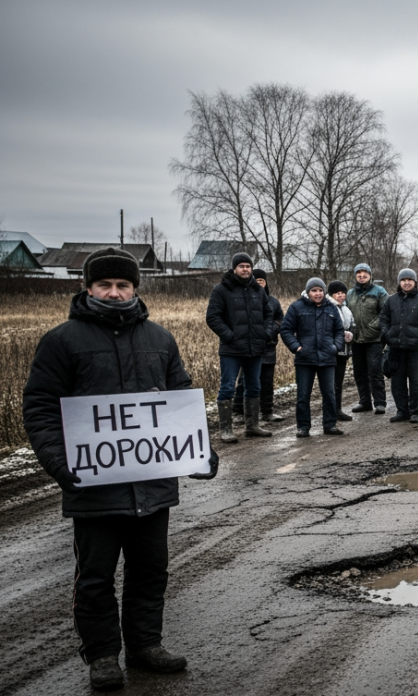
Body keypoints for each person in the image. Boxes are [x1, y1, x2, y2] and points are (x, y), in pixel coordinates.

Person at [23, 247, 215, 691]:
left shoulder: (160, 339)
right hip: (94, 486)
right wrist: (56, 459)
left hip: (152, 484)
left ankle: (146, 647)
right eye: (104, 285)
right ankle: (103, 655)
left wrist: (200, 449)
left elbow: (179, 398)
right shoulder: (61, 340)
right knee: (95, 578)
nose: (113, 293)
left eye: (122, 285)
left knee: (151, 572)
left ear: (135, 288)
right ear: (88, 288)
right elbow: (40, 406)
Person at [205, 252, 275, 441]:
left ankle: (252, 426)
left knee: (254, 386)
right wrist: (230, 336)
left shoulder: (258, 290)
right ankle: (226, 430)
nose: (245, 269)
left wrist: (266, 334)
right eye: (242, 266)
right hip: (232, 349)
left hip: (255, 348)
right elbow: (212, 317)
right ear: (234, 268)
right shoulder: (221, 290)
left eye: (248, 266)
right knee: (227, 387)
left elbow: (269, 315)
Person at [280, 278, 346, 438]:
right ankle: (303, 427)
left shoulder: (331, 308)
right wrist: (297, 347)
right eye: (314, 290)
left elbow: (339, 330)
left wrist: (335, 347)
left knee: (329, 394)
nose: (317, 294)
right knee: (303, 395)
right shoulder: (296, 307)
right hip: (305, 359)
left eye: (320, 290)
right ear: (308, 292)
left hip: (327, 358)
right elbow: (286, 329)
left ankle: (330, 425)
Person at [379, 268, 418, 423]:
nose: (407, 283)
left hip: (416, 348)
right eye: (403, 280)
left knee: (416, 382)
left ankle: (416, 411)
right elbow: (383, 318)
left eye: (410, 280)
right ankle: (402, 411)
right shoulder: (391, 300)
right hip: (396, 348)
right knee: (397, 382)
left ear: (415, 282)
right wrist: (388, 333)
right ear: (399, 282)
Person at [233, 268, 284, 423]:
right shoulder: (243, 299)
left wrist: (269, 332)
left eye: (262, 281)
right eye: (257, 280)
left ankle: (267, 412)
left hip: (268, 347)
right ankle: (238, 412)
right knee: (244, 380)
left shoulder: (273, 301)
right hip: (249, 347)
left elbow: (281, 320)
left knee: (267, 381)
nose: (260, 284)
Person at [346, 263, 389, 415]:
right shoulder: (350, 294)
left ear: (370, 275)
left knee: (375, 371)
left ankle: (380, 402)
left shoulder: (379, 291)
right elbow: (345, 312)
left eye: (365, 274)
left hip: (374, 339)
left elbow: (386, 312)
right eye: (359, 274)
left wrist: (374, 326)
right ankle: (364, 402)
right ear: (355, 276)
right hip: (356, 340)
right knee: (359, 372)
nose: (362, 276)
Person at [327, 281, 355, 422]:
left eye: (343, 293)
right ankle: (331, 411)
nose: (341, 295)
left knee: (338, 382)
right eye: (338, 293)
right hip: (331, 351)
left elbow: (352, 324)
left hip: (343, 351)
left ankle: (337, 409)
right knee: (330, 384)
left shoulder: (346, 309)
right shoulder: (328, 308)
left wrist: (350, 333)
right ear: (332, 294)